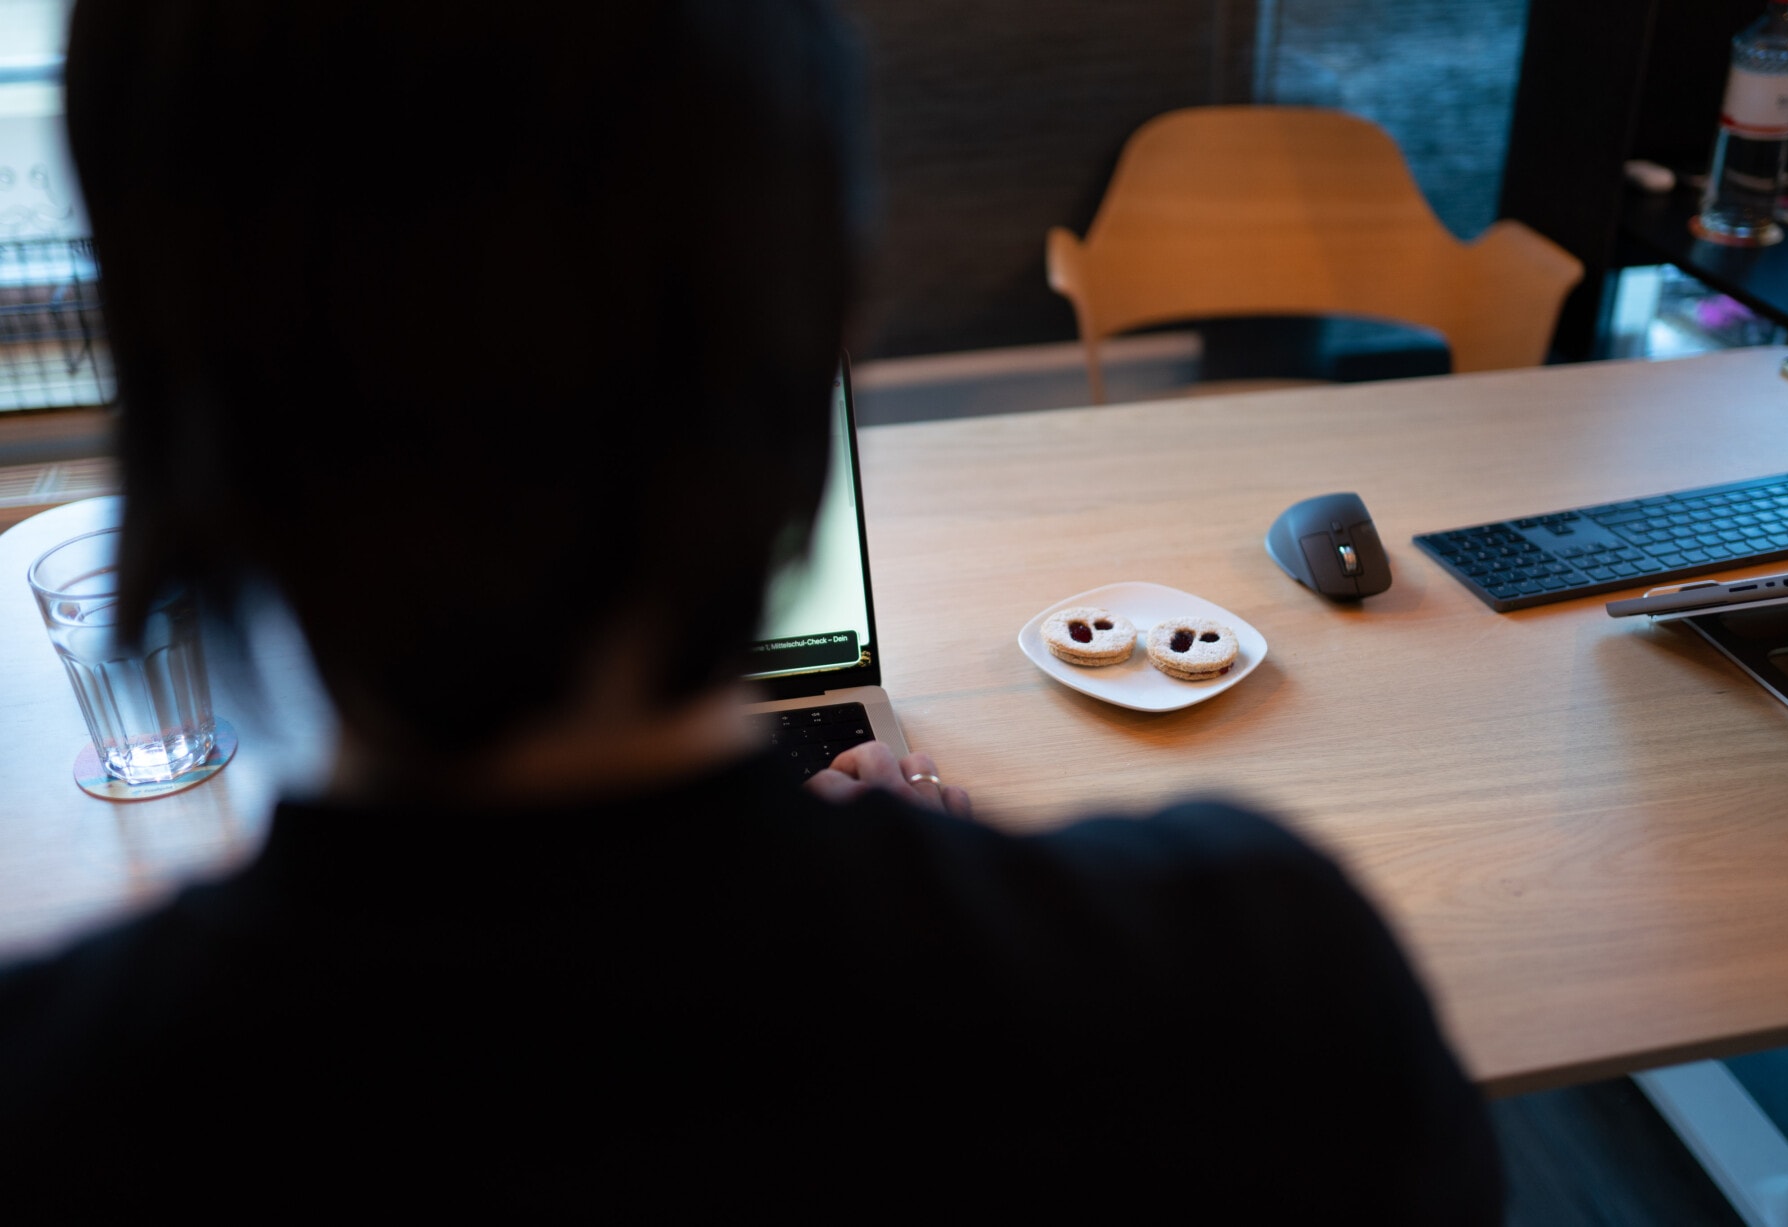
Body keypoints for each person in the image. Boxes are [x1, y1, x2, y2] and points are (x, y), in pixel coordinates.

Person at [0, 0, 1502, 1218]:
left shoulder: (58, 1107)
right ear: (806, 341)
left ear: (162, 373)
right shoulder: (1262, 999)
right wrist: (946, 915)